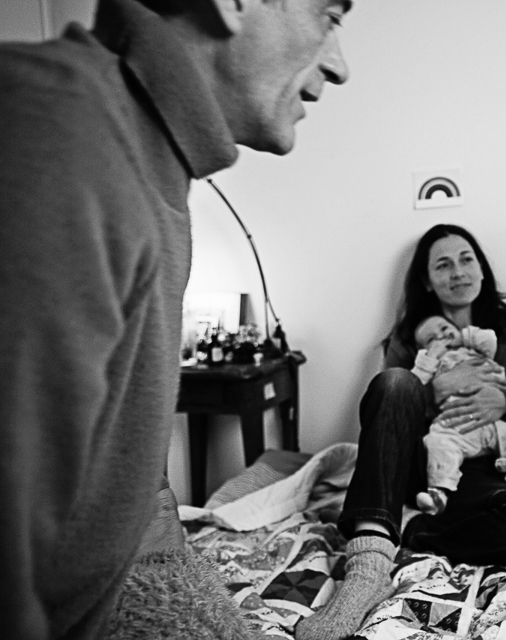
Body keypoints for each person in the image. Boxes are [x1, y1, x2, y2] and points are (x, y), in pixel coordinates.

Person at [0, 1, 351, 638]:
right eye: (329, 15)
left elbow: (123, 492)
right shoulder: (55, 136)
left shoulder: (154, 170)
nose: (339, 65)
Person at [296, 223, 506, 640]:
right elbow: (389, 412)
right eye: (443, 265)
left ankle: (406, 528)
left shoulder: (505, 327)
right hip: (415, 463)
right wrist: (434, 389)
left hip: (474, 472)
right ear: (427, 280)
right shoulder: (411, 336)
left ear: (481, 268)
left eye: (466, 260)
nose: (457, 272)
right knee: (397, 382)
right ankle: (369, 567)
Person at [411, 314, 506, 515]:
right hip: (455, 423)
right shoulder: (433, 362)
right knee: (437, 442)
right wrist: (430, 359)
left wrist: (462, 337)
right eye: (432, 339)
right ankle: (438, 494)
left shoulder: (474, 348)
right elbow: (413, 383)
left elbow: (489, 339)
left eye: (444, 327)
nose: (442, 337)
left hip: (493, 420)